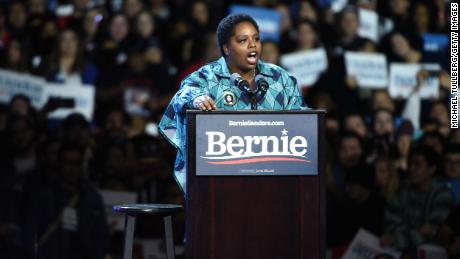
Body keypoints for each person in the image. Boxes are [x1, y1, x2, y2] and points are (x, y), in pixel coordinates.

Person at [159, 13, 307, 192]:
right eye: (243, 40)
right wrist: (197, 98)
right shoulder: (208, 76)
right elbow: (184, 93)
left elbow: (302, 119)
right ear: (227, 48)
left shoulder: (279, 77)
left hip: (275, 181)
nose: (253, 45)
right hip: (219, 183)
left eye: (256, 39)